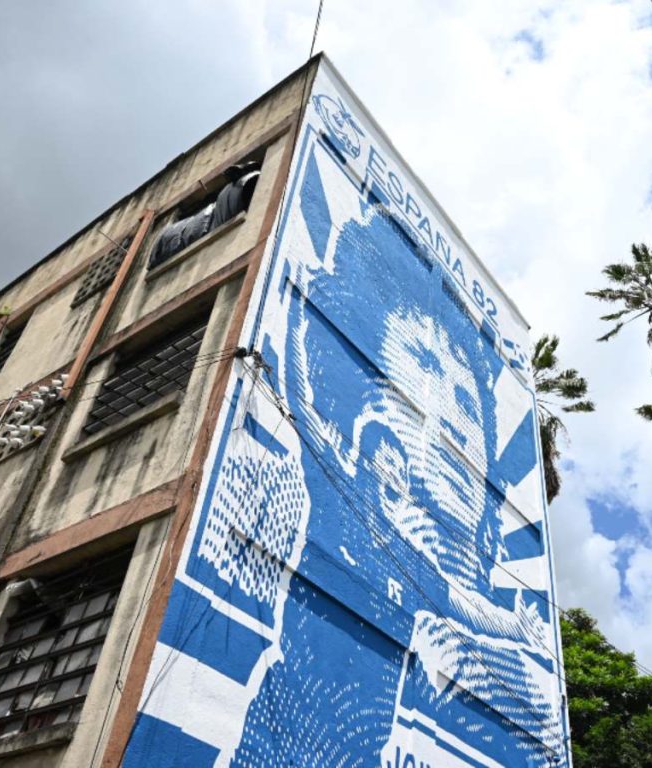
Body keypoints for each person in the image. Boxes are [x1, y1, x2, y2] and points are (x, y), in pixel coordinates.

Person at [229, 178, 563, 766]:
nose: (458, 427)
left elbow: (463, 604)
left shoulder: (416, 563)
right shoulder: (344, 494)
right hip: (288, 735)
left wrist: (516, 627)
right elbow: (304, 403)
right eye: (425, 366)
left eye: (466, 402)